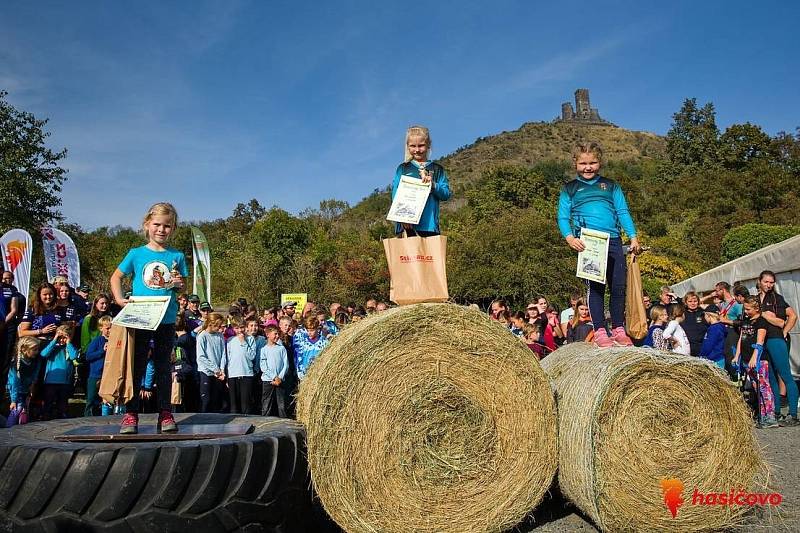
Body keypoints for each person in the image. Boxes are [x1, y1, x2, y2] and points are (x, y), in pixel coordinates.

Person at [110, 202, 188, 434]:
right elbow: (116, 277)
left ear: (173, 229)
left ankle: (165, 413)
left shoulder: (177, 255)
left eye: (167, 226)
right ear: (147, 225)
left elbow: (181, 287)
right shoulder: (136, 253)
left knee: (164, 367)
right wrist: (119, 299)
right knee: (136, 366)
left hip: (165, 318)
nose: (161, 230)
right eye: (157, 225)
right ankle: (130, 414)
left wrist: (179, 284)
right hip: (139, 318)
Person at [557, 141, 641, 347]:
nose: (588, 167)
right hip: (589, 244)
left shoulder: (611, 186)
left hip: (613, 240)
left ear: (600, 163)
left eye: (593, 163)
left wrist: (633, 236)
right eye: (583, 163)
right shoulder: (570, 189)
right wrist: (569, 238)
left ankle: (619, 328)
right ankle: (601, 330)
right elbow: (562, 217)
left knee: (618, 287)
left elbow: (622, 211)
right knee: (596, 289)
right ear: (575, 163)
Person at [391, 125, 452, 237]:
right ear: (408, 147)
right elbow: (395, 195)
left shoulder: (438, 169)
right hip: (406, 226)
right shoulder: (403, 168)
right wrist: (402, 218)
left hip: (429, 227)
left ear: (428, 145)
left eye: (421, 145)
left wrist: (433, 185)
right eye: (413, 146)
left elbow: (446, 194)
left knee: (431, 255)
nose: (417, 150)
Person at [757, 270, 798, 425]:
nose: (769, 285)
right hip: (762, 341)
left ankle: (793, 414)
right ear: (759, 281)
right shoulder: (755, 299)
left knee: (785, 375)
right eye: (766, 281)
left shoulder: (776, 299)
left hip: (776, 338)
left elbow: (791, 316)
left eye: (771, 282)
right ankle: (776, 412)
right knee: (771, 377)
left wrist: (785, 332)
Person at [733, 297, 779, 428]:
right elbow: (741, 338)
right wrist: (737, 355)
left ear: (756, 309)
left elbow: (760, 341)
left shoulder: (761, 322)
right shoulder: (746, 321)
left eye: (748, 309)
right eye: (745, 309)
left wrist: (755, 357)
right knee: (755, 386)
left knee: (764, 386)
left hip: (759, 360)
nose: (746, 311)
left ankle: (769, 415)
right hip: (747, 359)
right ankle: (762, 414)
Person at [40, 324, 78, 419]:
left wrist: (68, 343)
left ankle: (62, 414)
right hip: (51, 380)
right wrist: (54, 340)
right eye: (60, 338)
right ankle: (46, 414)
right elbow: (43, 354)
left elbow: (74, 356)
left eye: (64, 338)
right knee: (48, 401)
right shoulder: (53, 348)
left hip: (64, 381)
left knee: (63, 401)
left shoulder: (70, 347)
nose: (62, 340)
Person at [223, 319, 258, 414]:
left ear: (245, 327)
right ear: (234, 329)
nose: (240, 330)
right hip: (233, 374)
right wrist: (226, 376)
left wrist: (243, 342)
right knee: (234, 404)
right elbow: (227, 359)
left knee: (245, 404)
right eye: (237, 328)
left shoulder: (250, 339)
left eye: (242, 327)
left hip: (246, 374)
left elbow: (252, 356)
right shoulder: (230, 341)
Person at [196, 312, 227, 413]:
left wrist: (221, 369)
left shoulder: (220, 336)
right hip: (206, 372)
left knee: (216, 400)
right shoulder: (202, 336)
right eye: (217, 326)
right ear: (210, 324)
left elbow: (223, 353)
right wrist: (215, 369)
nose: (219, 328)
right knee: (206, 400)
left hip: (218, 373)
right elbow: (201, 357)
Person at [7, 337, 41, 425]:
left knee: (24, 412)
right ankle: (8, 429)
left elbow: (35, 375)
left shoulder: (34, 360)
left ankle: (18, 430)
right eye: (34, 349)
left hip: (26, 390)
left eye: (37, 349)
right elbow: (14, 382)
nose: (37, 352)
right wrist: (13, 400)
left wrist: (31, 387)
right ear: (24, 349)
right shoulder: (16, 364)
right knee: (16, 410)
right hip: (15, 391)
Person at [84, 316, 112, 416]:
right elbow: (88, 356)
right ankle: (87, 420)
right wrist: (102, 351)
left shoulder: (115, 341)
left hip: (109, 375)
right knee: (91, 400)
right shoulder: (97, 341)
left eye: (112, 327)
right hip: (95, 375)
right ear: (101, 328)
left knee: (108, 400)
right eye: (107, 328)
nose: (110, 330)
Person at [260, 324, 289, 417]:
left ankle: (284, 422)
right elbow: (263, 367)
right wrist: (274, 377)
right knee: (266, 404)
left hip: (280, 381)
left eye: (278, 334)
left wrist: (280, 377)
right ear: (268, 334)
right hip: (268, 381)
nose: (277, 336)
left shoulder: (281, 348)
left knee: (282, 405)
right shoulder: (264, 350)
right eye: (275, 334)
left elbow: (286, 364)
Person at [293, 316, 329, 382]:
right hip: (305, 374)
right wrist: (299, 370)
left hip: (318, 373)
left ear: (317, 329)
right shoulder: (303, 342)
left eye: (312, 330)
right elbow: (299, 357)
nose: (309, 332)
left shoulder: (324, 342)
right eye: (308, 330)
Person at [681, 292, 708, 357]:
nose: (693, 303)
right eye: (690, 301)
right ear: (686, 302)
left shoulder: (703, 313)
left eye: (695, 301)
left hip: (702, 347)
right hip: (687, 348)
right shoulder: (682, 314)